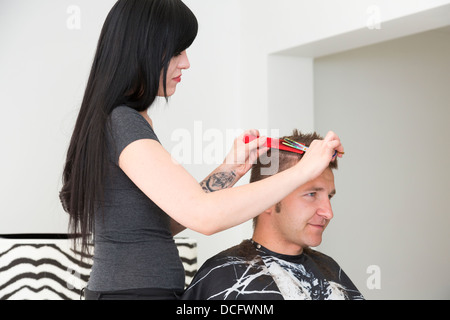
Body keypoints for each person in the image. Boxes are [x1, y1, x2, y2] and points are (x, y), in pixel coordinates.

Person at [59, 0, 344, 300]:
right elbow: (205, 217)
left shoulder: (124, 120)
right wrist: (303, 171)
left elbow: (158, 224)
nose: (186, 62)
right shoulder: (122, 122)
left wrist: (229, 170)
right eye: (177, 51)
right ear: (145, 49)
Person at [182, 130, 362, 300]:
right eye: (311, 194)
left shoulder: (330, 269)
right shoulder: (222, 274)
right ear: (267, 198)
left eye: (329, 196)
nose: (328, 212)